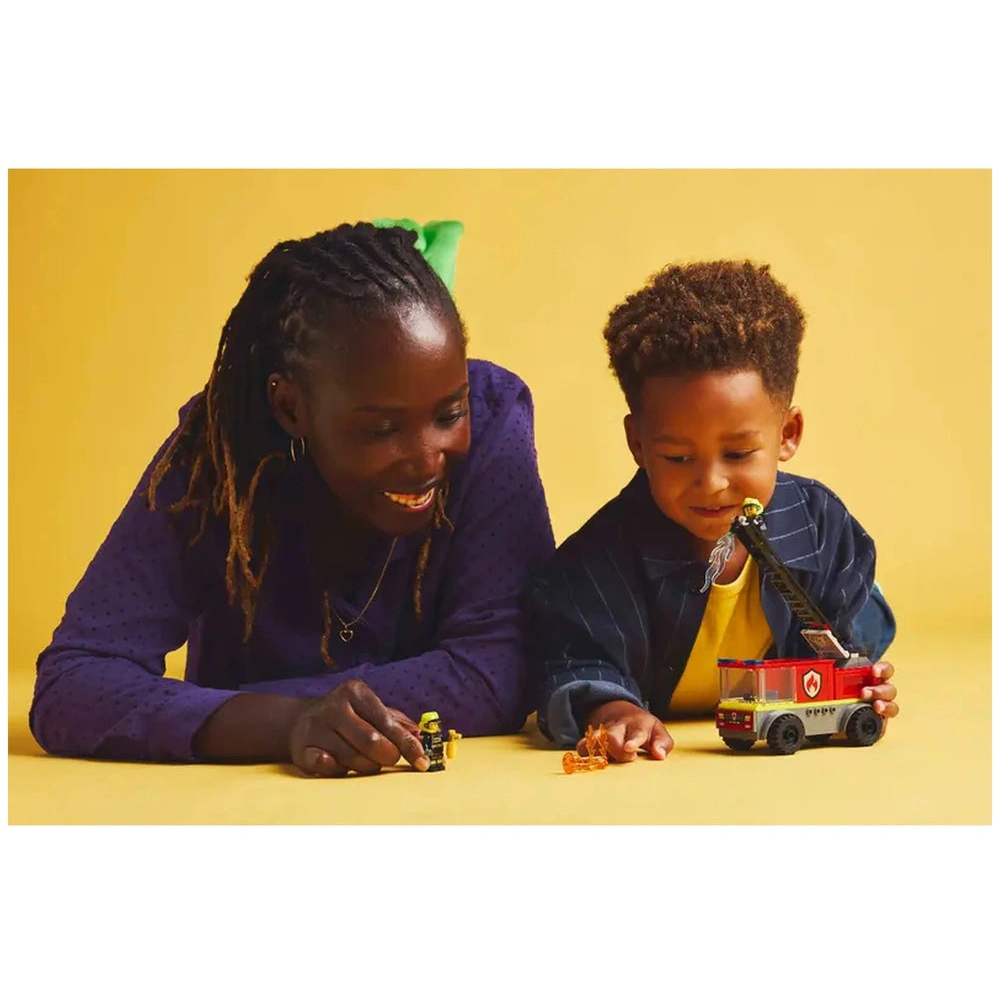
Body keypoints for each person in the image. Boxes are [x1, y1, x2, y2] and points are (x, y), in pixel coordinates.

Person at [30, 220, 554, 777]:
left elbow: (501, 667)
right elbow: (73, 681)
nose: (428, 458)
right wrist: (289, 721)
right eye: (380, 429)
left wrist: (248, 708)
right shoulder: (220, 452)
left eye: (449, 414)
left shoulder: (496, 418)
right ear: (291, 408)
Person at [527, 260, 898, 761]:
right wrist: (612, 708)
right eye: (678, 458)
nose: (712, 483)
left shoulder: (821, 525)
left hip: (816, 611)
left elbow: (836, 654)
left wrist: (860, 685)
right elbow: (576, 660)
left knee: (862, 611)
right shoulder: (597, 563)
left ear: (787, 435)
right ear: (638, 442)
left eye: (739, 454)